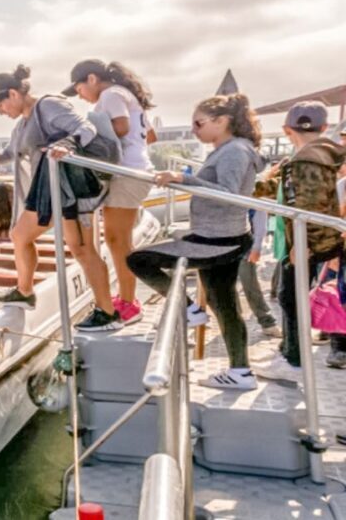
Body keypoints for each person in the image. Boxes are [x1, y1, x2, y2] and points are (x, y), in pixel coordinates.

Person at [0, 65, 124, 331]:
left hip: (71, 189)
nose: (2, 113)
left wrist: (66, 145)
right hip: (50, 188)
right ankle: (25, 291)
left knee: (83, 250)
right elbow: (12, 150)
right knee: (21, 235)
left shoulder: (49, 106)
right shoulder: (24, 123)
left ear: (14, 94)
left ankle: (107, 313)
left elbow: (84, 128)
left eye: (1, 106)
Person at [128, 93, 265, 390]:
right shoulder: (231, 148)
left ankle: (188, 311)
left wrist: (184, 179)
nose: (193, 129)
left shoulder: (234, 151)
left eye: (198, 123)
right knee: (224, 304)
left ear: (222, 121)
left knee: (137, 260)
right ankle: (241, 373)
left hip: (217, 240)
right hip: (224, 235)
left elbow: (227, 192)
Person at [252, 101, 346, 378]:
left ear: (286, 129)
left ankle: (293, 361)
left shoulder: (307, 158)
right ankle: (289, 352)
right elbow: (279, 191)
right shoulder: (315, 154)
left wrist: (303, 245)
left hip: (305, 243)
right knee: (290, 295)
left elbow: (310, 205)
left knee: (291, 298)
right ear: (325, 127)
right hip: (308, 241)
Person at [62, 60, 157, 325]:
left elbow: (121, 127)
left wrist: (86, 139)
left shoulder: (111, 94)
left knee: (117, 241)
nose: (80, 95)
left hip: (127, 175)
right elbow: (151, 137)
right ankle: (127, 298)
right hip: (134, 172)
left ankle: (129, 304)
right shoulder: (126, 96)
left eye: (79, 89)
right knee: (119, 240)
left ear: (91, 79)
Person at [238, 209, 281, 337]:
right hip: (218, 245)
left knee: (249, 283)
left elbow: (260, 221)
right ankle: (234, 321)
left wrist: (256, 247)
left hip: (243, 246)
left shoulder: (251, 195)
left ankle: (267, 322)